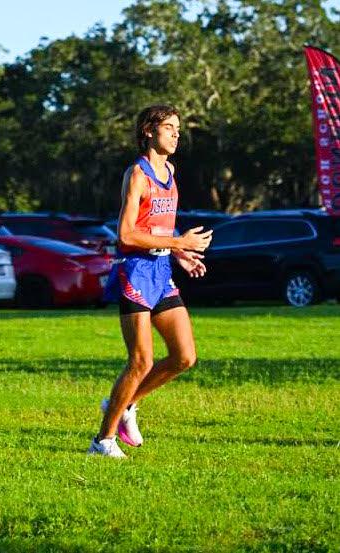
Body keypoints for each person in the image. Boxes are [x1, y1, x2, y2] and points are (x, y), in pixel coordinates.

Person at [90, 105, 212, 458]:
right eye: (169, 127)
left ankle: (125, 404)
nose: (176, 134)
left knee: (184, 356)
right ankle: (102, 442)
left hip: (161, 272)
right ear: (148, 131)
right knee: (140, 361)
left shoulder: (170, 171)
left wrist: (179, 253)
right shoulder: (138, 174)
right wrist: (180, 242)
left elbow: (157, 227)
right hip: (136, 272)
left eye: (178, 128)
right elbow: (126, 234)